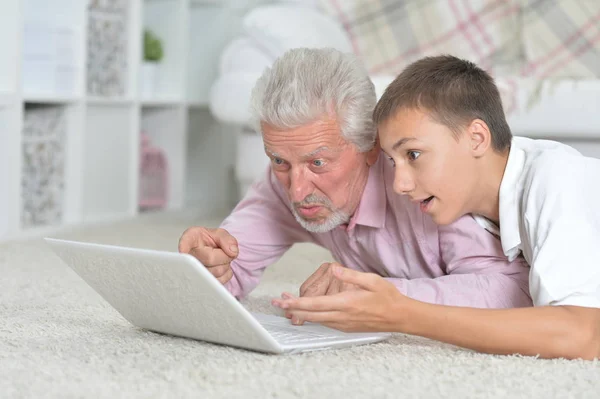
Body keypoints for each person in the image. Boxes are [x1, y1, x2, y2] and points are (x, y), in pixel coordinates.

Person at [273, 54, 600, 360]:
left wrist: (402, 312)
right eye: (392, 161)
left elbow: (583, 335)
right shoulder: (479, 213)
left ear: (476, 138)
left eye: (413, 154)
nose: (399, 184)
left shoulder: (556, 178)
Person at [179, 48, 532, 315]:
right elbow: (222, 279)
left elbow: (509, 290)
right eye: (278, 160)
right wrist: (204, 265)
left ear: (371, 146)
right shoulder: (285, 176)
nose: (297, 190)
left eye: (318, 162)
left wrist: (377, 293)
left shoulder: (427, 182)